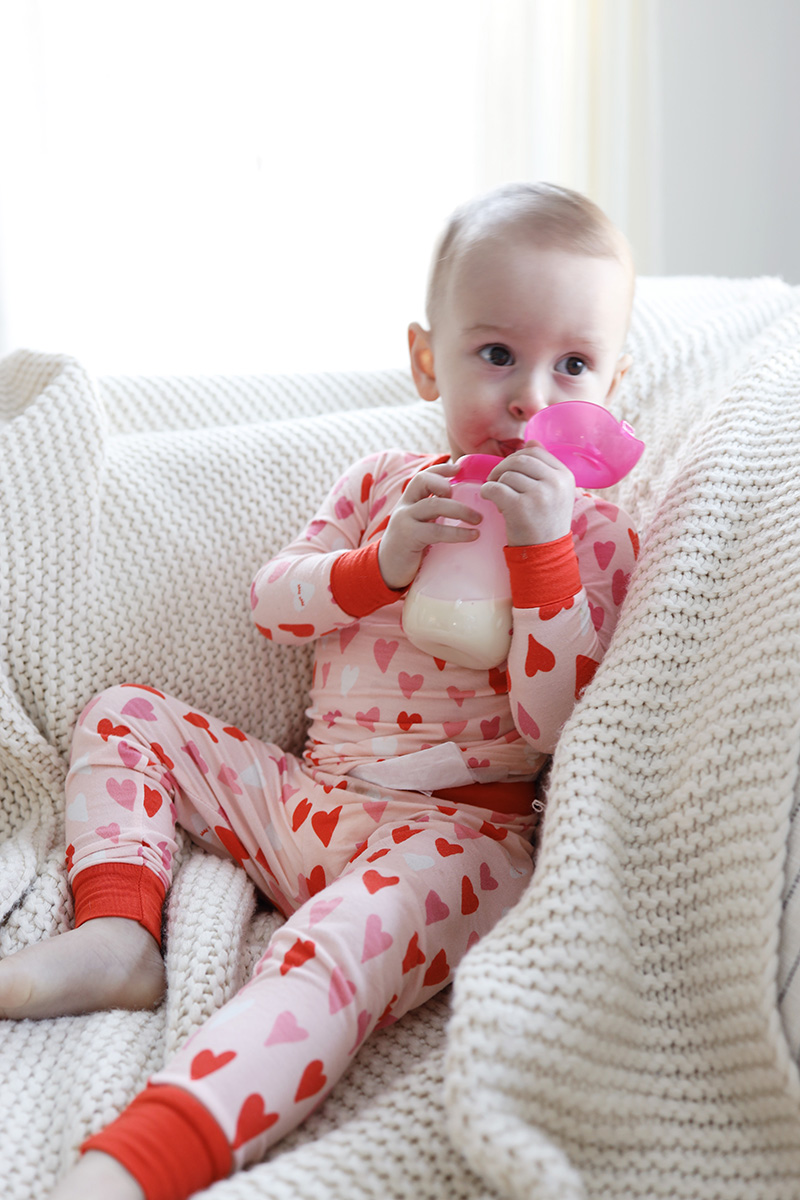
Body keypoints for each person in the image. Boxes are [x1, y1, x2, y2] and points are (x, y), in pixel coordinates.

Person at [0, 181, 639, 1200]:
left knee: (324, 956)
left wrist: (541, 561)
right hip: (311, 802)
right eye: (495, 355)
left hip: (453, 842)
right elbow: (273, 605)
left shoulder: (589, 533)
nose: (529, 397)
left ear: (611, 385)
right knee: (123, 712)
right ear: (427, 358)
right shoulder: (386, 484)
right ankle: (117, 933)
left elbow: (553, 721)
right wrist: (379, 563)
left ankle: (137, 1161)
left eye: (572, 366)